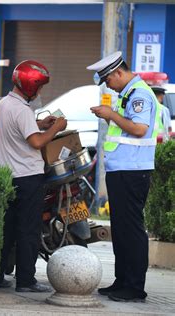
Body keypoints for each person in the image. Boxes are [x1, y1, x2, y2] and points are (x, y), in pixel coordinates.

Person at [87, 51, 158, 302]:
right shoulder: (127, 94)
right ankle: (122, 281)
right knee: (121, 229)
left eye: (108, 79)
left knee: (132, 229)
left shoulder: (139, 94)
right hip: (122, 170)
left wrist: (110, 114)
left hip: (133, 171)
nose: (108, 84)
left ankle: (135, 287)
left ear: (119, 72)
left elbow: (139, 129)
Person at [0, 60, 67, 292]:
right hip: (28, 178)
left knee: (8, 229)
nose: (40, 92)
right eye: (40, 87)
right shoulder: (22, 110)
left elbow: (21, 127)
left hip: (9, 177)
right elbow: (36, 141)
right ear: (31, 86)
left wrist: (41, 123)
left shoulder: (5, 104)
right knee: (28, 230)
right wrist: (56, 127)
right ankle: (26, 281)